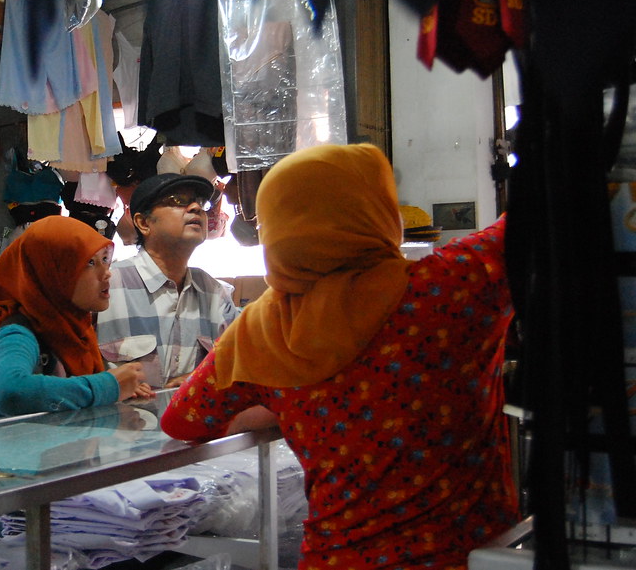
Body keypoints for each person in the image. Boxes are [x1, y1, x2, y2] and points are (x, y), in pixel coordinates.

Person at [160, 144, 519, 570]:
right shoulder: (449, 284)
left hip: (337, 558)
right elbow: (537, 218)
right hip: (464, 556)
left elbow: (181, 419)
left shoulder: (259, 331)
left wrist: (277, 403)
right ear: (378, 211)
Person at [0, 215, 154, 421]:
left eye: (104, 259)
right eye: (90, 263)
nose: (106, 273)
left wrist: (118, 389)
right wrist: (106, 386)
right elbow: (11, 392)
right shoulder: (17, 336)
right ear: (51, 274)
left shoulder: (72, 332)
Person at [98, 173, 238, 388]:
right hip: (116, 420)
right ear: (144, 223)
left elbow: (238, 365)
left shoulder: (213, 292)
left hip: (190, 419)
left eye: (201, 202)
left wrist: (201, 380)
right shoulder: (107, 284)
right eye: (178, 201)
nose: (196, 208)